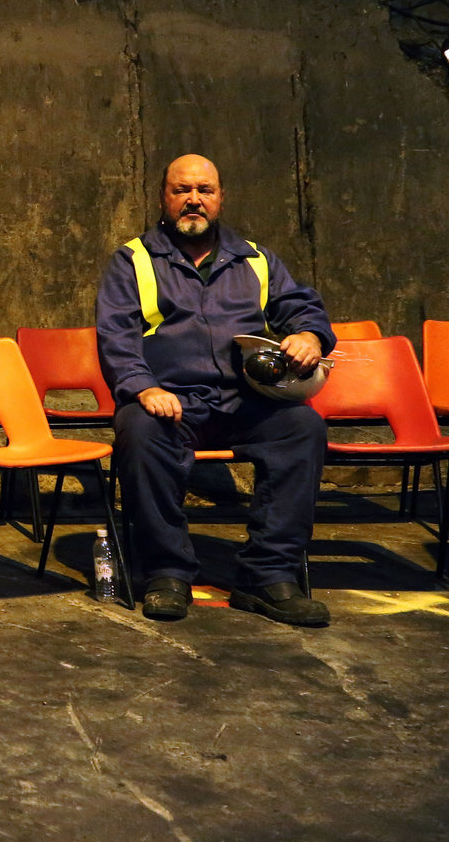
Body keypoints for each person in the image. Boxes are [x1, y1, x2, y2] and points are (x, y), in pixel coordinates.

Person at [95, 154, 335, 627]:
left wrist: (310, 335)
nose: (193, 200)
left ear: (220, 198)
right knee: (139, 431)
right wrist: (142, 388)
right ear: (164, 198)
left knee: (302, 427)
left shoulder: (256, 260)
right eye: (181, 190)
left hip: (246, 401)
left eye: (204, 191)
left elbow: (301, 306)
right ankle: (166, 573)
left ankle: (268, 577)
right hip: (172, 401)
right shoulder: (133, 261)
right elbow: (116, 336)